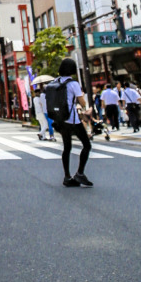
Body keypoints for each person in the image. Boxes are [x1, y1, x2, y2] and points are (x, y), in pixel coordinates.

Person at [53, 58, 93, 188]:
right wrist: (80, 96)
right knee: (86, 145)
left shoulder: (55, 82)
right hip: (72, 120)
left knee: (67, 148)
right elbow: (83, 103)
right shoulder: (73, 83)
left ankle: (67, 176)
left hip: (60, 120)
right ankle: (80, 173)